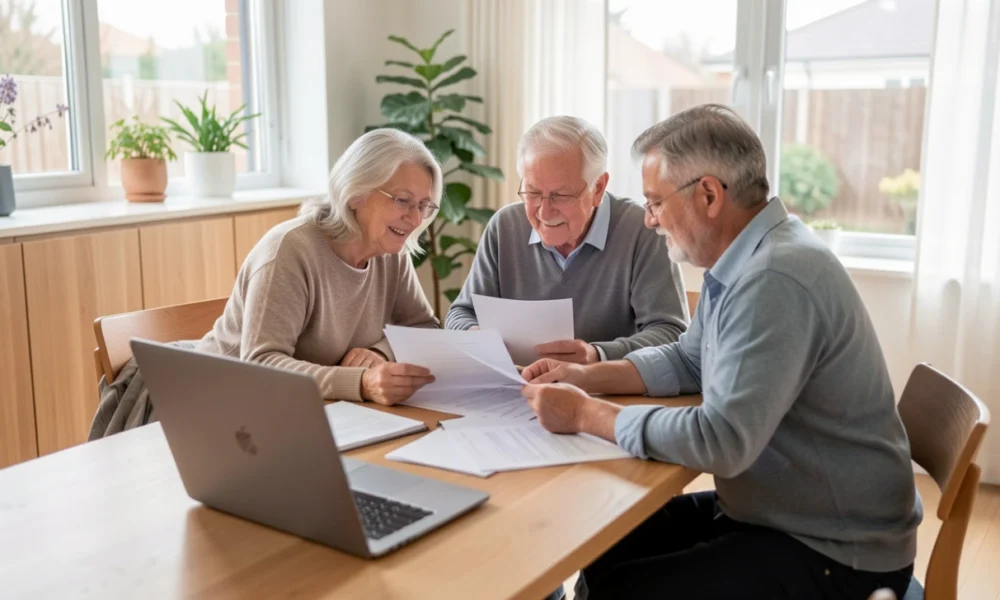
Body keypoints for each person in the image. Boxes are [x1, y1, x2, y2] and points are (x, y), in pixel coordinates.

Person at [520, 104, 922, 599]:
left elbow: (721, 440)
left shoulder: (772, 279)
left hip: (836, 552)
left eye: (655, 203)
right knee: (607, 541)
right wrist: (587, 375)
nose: (649, 221)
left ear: (708, 194)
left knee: (623, 585)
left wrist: (587, 415)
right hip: (784, 514)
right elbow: (690, 359)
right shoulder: (752, 257)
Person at [197, 128, 440, 406]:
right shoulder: (289, 250)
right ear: (355, 192)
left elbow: (424, 328)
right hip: (210, 399)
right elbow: (261, 364)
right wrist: (361, 383)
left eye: (423, 205)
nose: (415, 218)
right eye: (402, 200)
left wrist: (381, 353)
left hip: (303, 406)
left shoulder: (391, 253)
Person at [445, 115, 688, 364]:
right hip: (517, 389)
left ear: (598, 188)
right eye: (533, 192)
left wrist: (597, 354)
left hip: (606, 394)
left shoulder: (641, 230)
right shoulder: (505, 226)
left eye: (561, 195)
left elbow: (672, 334)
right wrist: (478, 338)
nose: (544, 212)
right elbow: (460, 314)